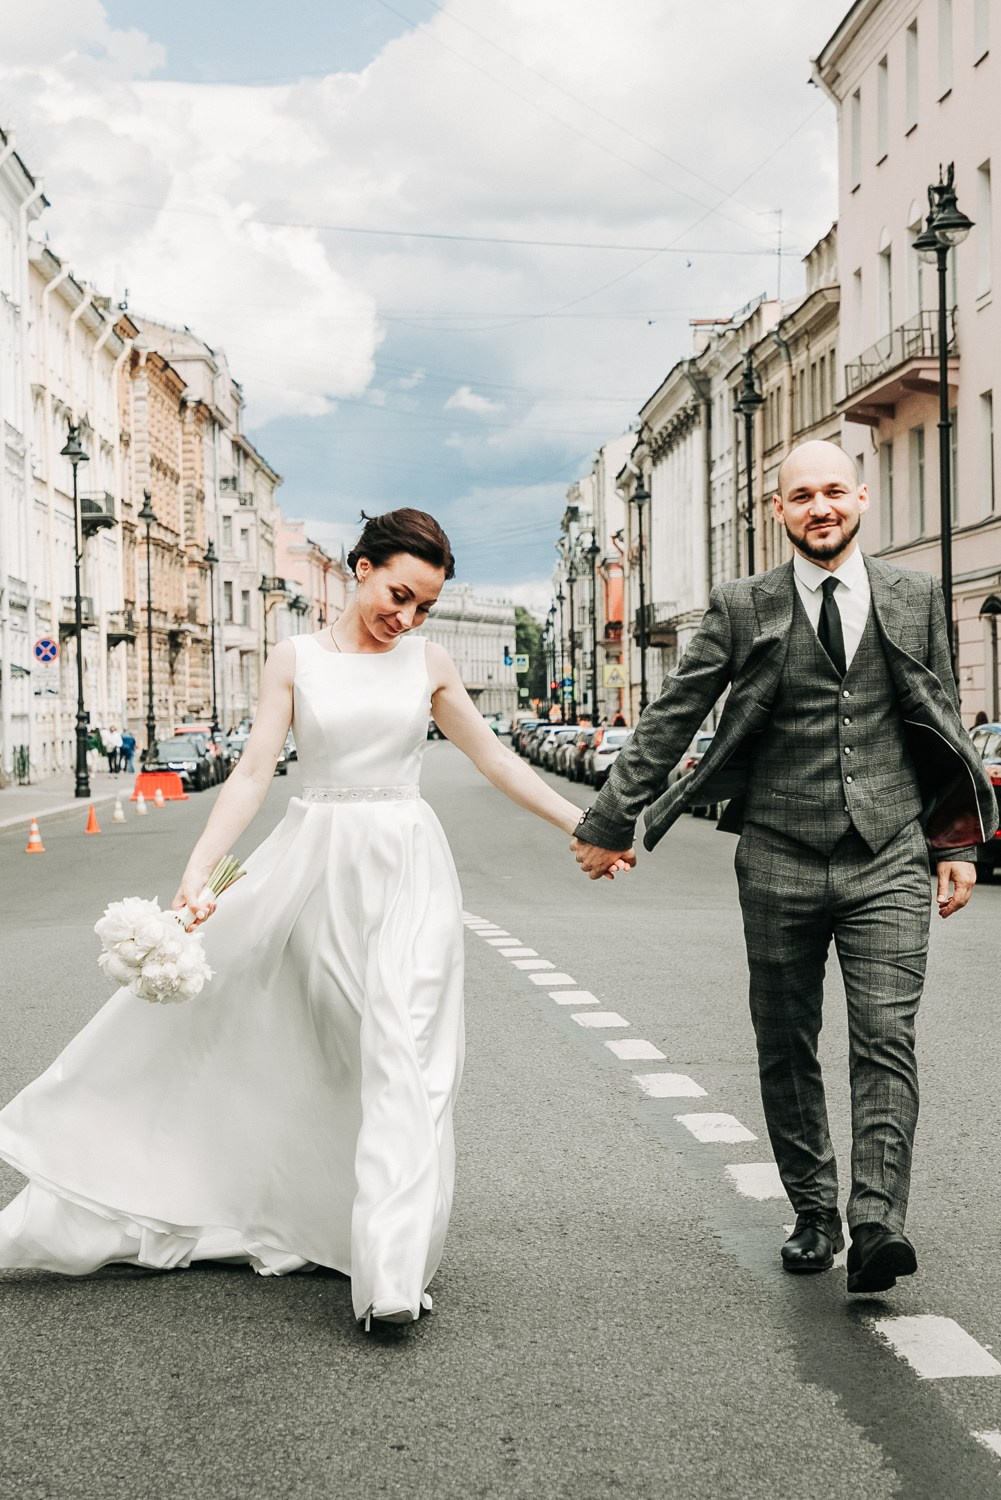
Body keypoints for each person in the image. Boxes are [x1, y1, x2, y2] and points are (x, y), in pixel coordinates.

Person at [0, 509, 616, 1330]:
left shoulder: (427, 665)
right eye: (399, 594)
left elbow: (494, 757)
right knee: (335, 1049)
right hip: (317, 865)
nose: (408, 617)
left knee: (408, 1055)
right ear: (360, 568)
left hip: (407, 867)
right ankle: (310, 1212)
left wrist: (585, 824)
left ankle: (390, 1275)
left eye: (425, 605)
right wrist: (200, 871)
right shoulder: (293, 661)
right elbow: (254, 771)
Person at [571, 441, 997, 1295]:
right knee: (784, 1041)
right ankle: (812, 1210)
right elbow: (670, 717)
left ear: (862, 500)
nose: (820, 507)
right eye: (801, 496)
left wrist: (953, 844)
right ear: (779, 511)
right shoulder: (742, 606)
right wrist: (610, 819)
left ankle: (876, 1221)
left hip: (888, 857)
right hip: (776, 854)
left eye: (834, 491)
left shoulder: (914, 597)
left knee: (885, 1040)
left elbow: (939, 723)